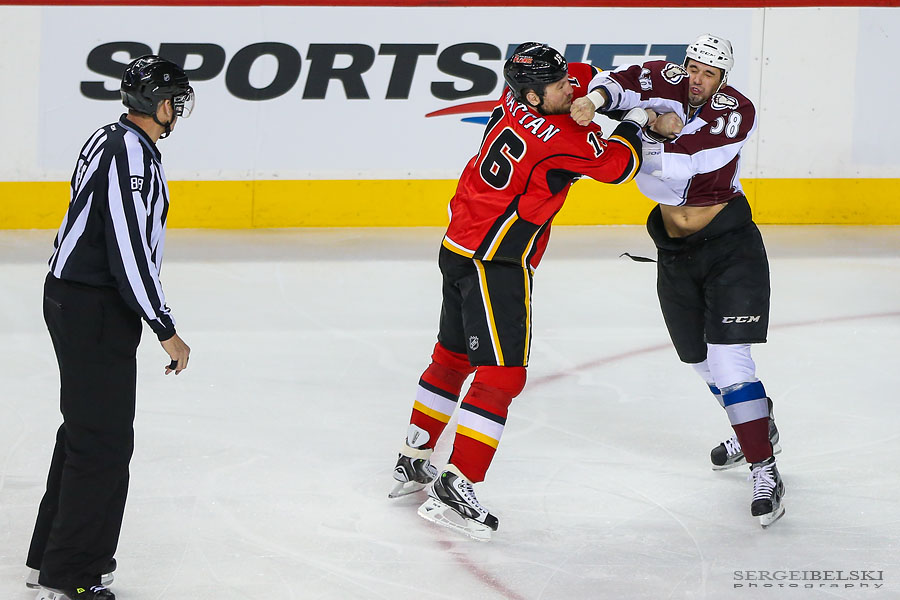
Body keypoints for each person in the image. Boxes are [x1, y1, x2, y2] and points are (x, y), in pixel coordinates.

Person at [389, 42, 651, 540]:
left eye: (567, 81)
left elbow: (585, 73)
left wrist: (594, 96)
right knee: (502, 376)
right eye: (560, 86)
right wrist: (638, 119)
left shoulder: (514, 98)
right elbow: (619, 166)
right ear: (534, 95)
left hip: (457, 246)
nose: (570, 88)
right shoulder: (562, 140)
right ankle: (458, 481)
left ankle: (413, 455)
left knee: (451, 357)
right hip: (497, 264)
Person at [570, 34, 784, 527]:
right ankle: (756, 424)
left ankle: (764, 466)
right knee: (699, 360)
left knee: (730, 362)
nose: (697, 80)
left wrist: (636, 132)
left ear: (723, 79)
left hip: (730, 247)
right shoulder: (665, 77)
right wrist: (597, 102)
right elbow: (617, 84)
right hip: (674, 251)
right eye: (693, 68)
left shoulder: (736, 111)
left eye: (709, 74)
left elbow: (686, 160)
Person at [26, 55, 194, 600]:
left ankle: (49, 559)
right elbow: (127, 248)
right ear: (158, 104)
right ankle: (72, 575)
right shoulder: (130, 154)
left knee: (84, 432)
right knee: (102, 443)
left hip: (74, 299)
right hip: (95, 307)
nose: (178, 110)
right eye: (174, 99)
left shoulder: (111, 138)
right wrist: (164, 326)